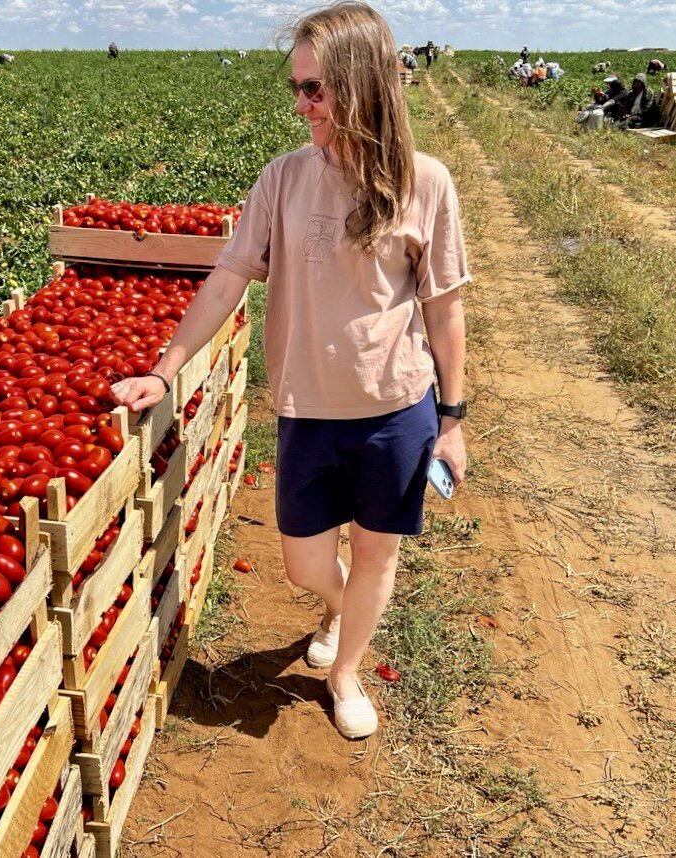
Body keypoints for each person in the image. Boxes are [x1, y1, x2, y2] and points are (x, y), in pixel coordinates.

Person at [111, 0, 469, 741]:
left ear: (363, 84)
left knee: (375, 554)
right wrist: (166, 367)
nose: (302, 105)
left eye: (316, 89)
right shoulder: (281, 179)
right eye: (296, 88)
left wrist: (452, 422)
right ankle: (338, 611)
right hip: (307, 409)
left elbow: (444, 310)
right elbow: (227, 277)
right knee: (307, 564)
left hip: (395, 406)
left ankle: (343, 674)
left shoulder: (424, 182)